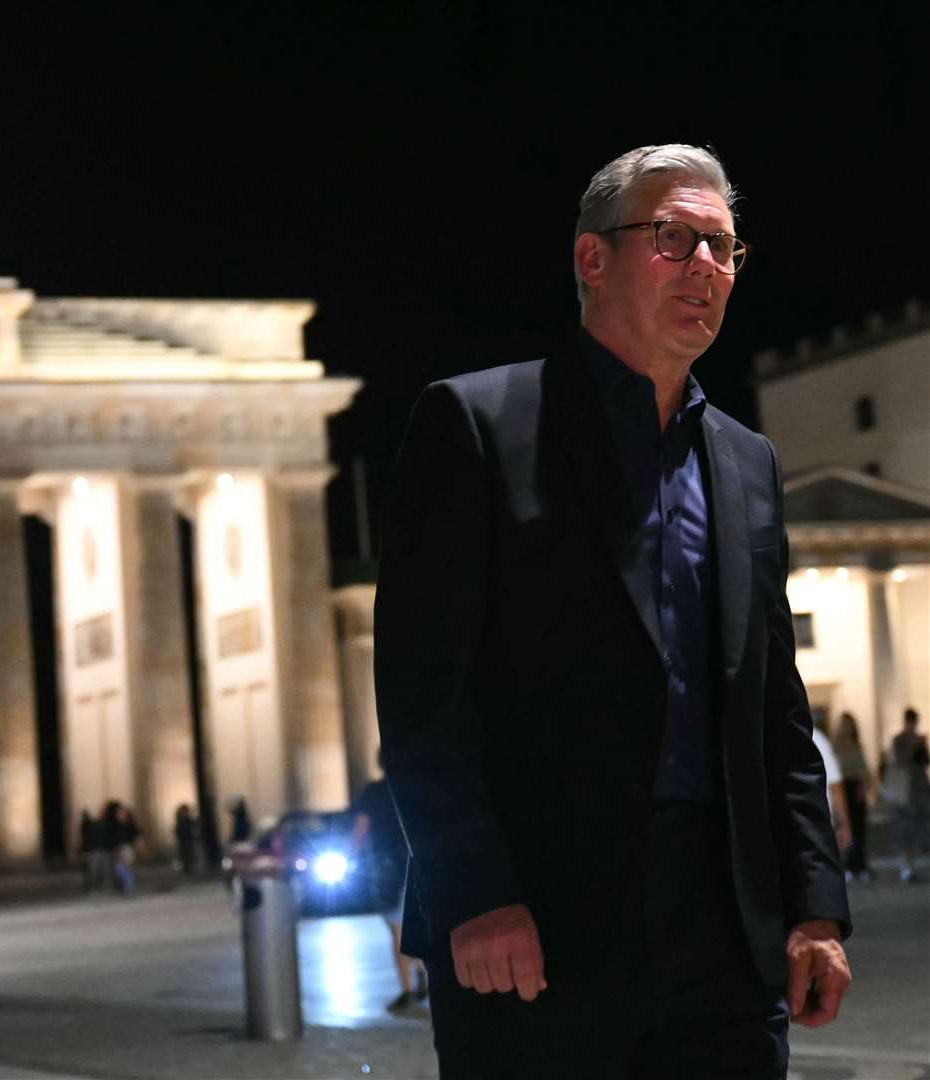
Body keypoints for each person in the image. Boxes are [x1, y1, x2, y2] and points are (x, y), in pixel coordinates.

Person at [377, 144, 852, 1077]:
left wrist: (815, 908)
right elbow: (422, 694)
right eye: (674, 239)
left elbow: (775, 713)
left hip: (723, 938)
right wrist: (473, 891)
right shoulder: (478, 425)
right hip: (532, 935)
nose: (707, 269)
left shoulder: (748, 463)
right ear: (593, 259)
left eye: (722, 248)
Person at [351, 749, 426, 1010]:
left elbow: (360, 832)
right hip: (417, 864)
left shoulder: (373, 793)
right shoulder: (413, 789)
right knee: (415, 923)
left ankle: (407, 988)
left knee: (396, 931)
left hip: (387, 869)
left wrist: (353, 857)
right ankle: (421, 971)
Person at [885, 708, 929, 882]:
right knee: (904, 828)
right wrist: (913, 745)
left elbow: (925, 761)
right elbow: (900, 760)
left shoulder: (918, 740)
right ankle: (906, 866)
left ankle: (912, 864)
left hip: (919, 788)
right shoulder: (899, 740)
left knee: (919, 827)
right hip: (904, 790)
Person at [834, 712, 873, 880]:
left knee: (859, 829)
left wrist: (866, 786)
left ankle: (859, 865)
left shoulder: (857, 745)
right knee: (846, 827)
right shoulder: (836, 746)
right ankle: (849, 865)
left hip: (856, 788)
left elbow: (864, 770)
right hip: (844, 788)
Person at [812, 717, 853, 860]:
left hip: (816, 824)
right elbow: (836, 785)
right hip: (815, 823)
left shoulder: (816, 738)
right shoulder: (815, 737)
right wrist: (844, 824)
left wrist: (843, 824)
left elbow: (835, 785)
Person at [173, 804, 200, 875]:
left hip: (188, 840)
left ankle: (189, 868)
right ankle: (187, 869)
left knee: (190, 855)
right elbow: (180, 830)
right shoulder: (181, 820)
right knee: (186, 855)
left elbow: (193, 823)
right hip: (185, 841)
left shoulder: (185, 819)